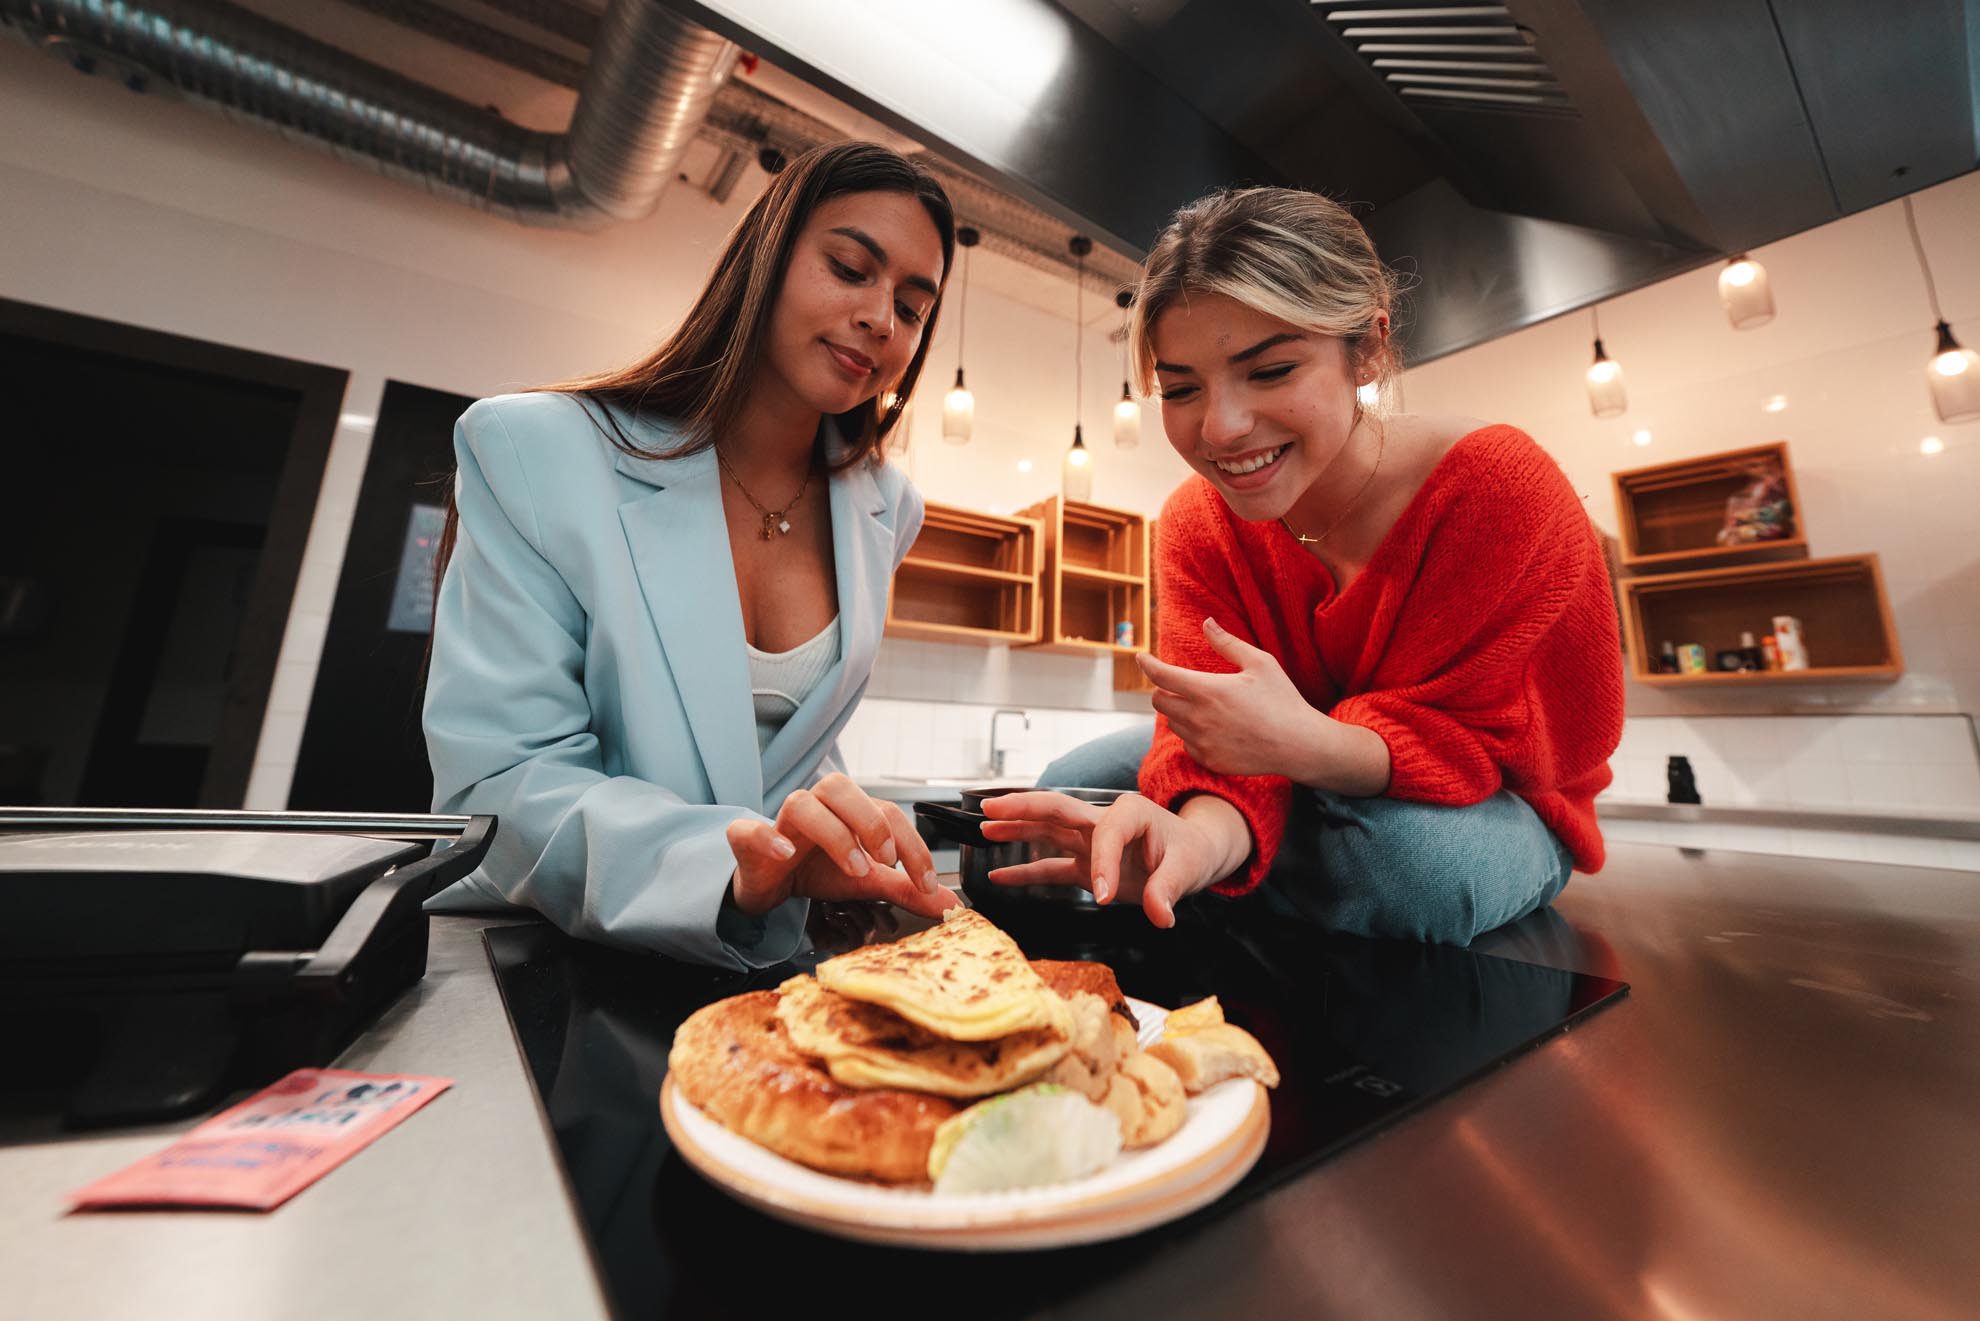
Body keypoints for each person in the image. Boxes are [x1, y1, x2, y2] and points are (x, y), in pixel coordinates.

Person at [989, 186, 1625, 945]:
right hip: (1295, 764)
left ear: (1369, 349)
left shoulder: (1496, 488)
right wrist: (1200, 840)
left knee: (1408, 868)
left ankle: (1238, 876)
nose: (1221, 428)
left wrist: (1300, 747)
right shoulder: (1196, 522)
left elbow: (1485, 744)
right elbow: (1222, 735)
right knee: (1070, 785)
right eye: (1183, 388)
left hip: (1499, 798)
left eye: (1271, 370)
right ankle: (1217, 868)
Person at [422, 143, 961, 971]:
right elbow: (502, 789)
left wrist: (847, 839)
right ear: (766, 261)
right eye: (851, 267)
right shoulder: (535, 451)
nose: (883, 320)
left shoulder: (887, 508)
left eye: (914, 308)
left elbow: (785, 740)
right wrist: (733, 864)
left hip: (766, 967)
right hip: (552, 959)